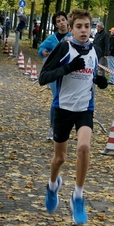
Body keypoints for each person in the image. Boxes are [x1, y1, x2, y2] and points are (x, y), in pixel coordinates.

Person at [38, 9, 108, 225]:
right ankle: (52, 186)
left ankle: (77, 196)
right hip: (63, 108)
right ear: (71, 29)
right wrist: (68, 68)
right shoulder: (63, 47)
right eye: (79, 27)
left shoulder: (94, 50)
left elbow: (91, 74)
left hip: (85, 109)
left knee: (84, 148)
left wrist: (99, 81)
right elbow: (43, 78)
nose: (83, 30)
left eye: (87, 26)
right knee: (60, 158)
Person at [38, 11, 72, 141]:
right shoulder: (52, 38)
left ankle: (66, 126)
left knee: (67, 100)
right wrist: (43, 52)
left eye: (63, 20)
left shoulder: (72, 36)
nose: (62, 23)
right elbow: (41, 49)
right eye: (58, 21)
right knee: (56, 98)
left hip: (68, 73)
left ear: (67, 21)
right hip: (54, 74)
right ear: (56, 25)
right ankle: (52, 128)